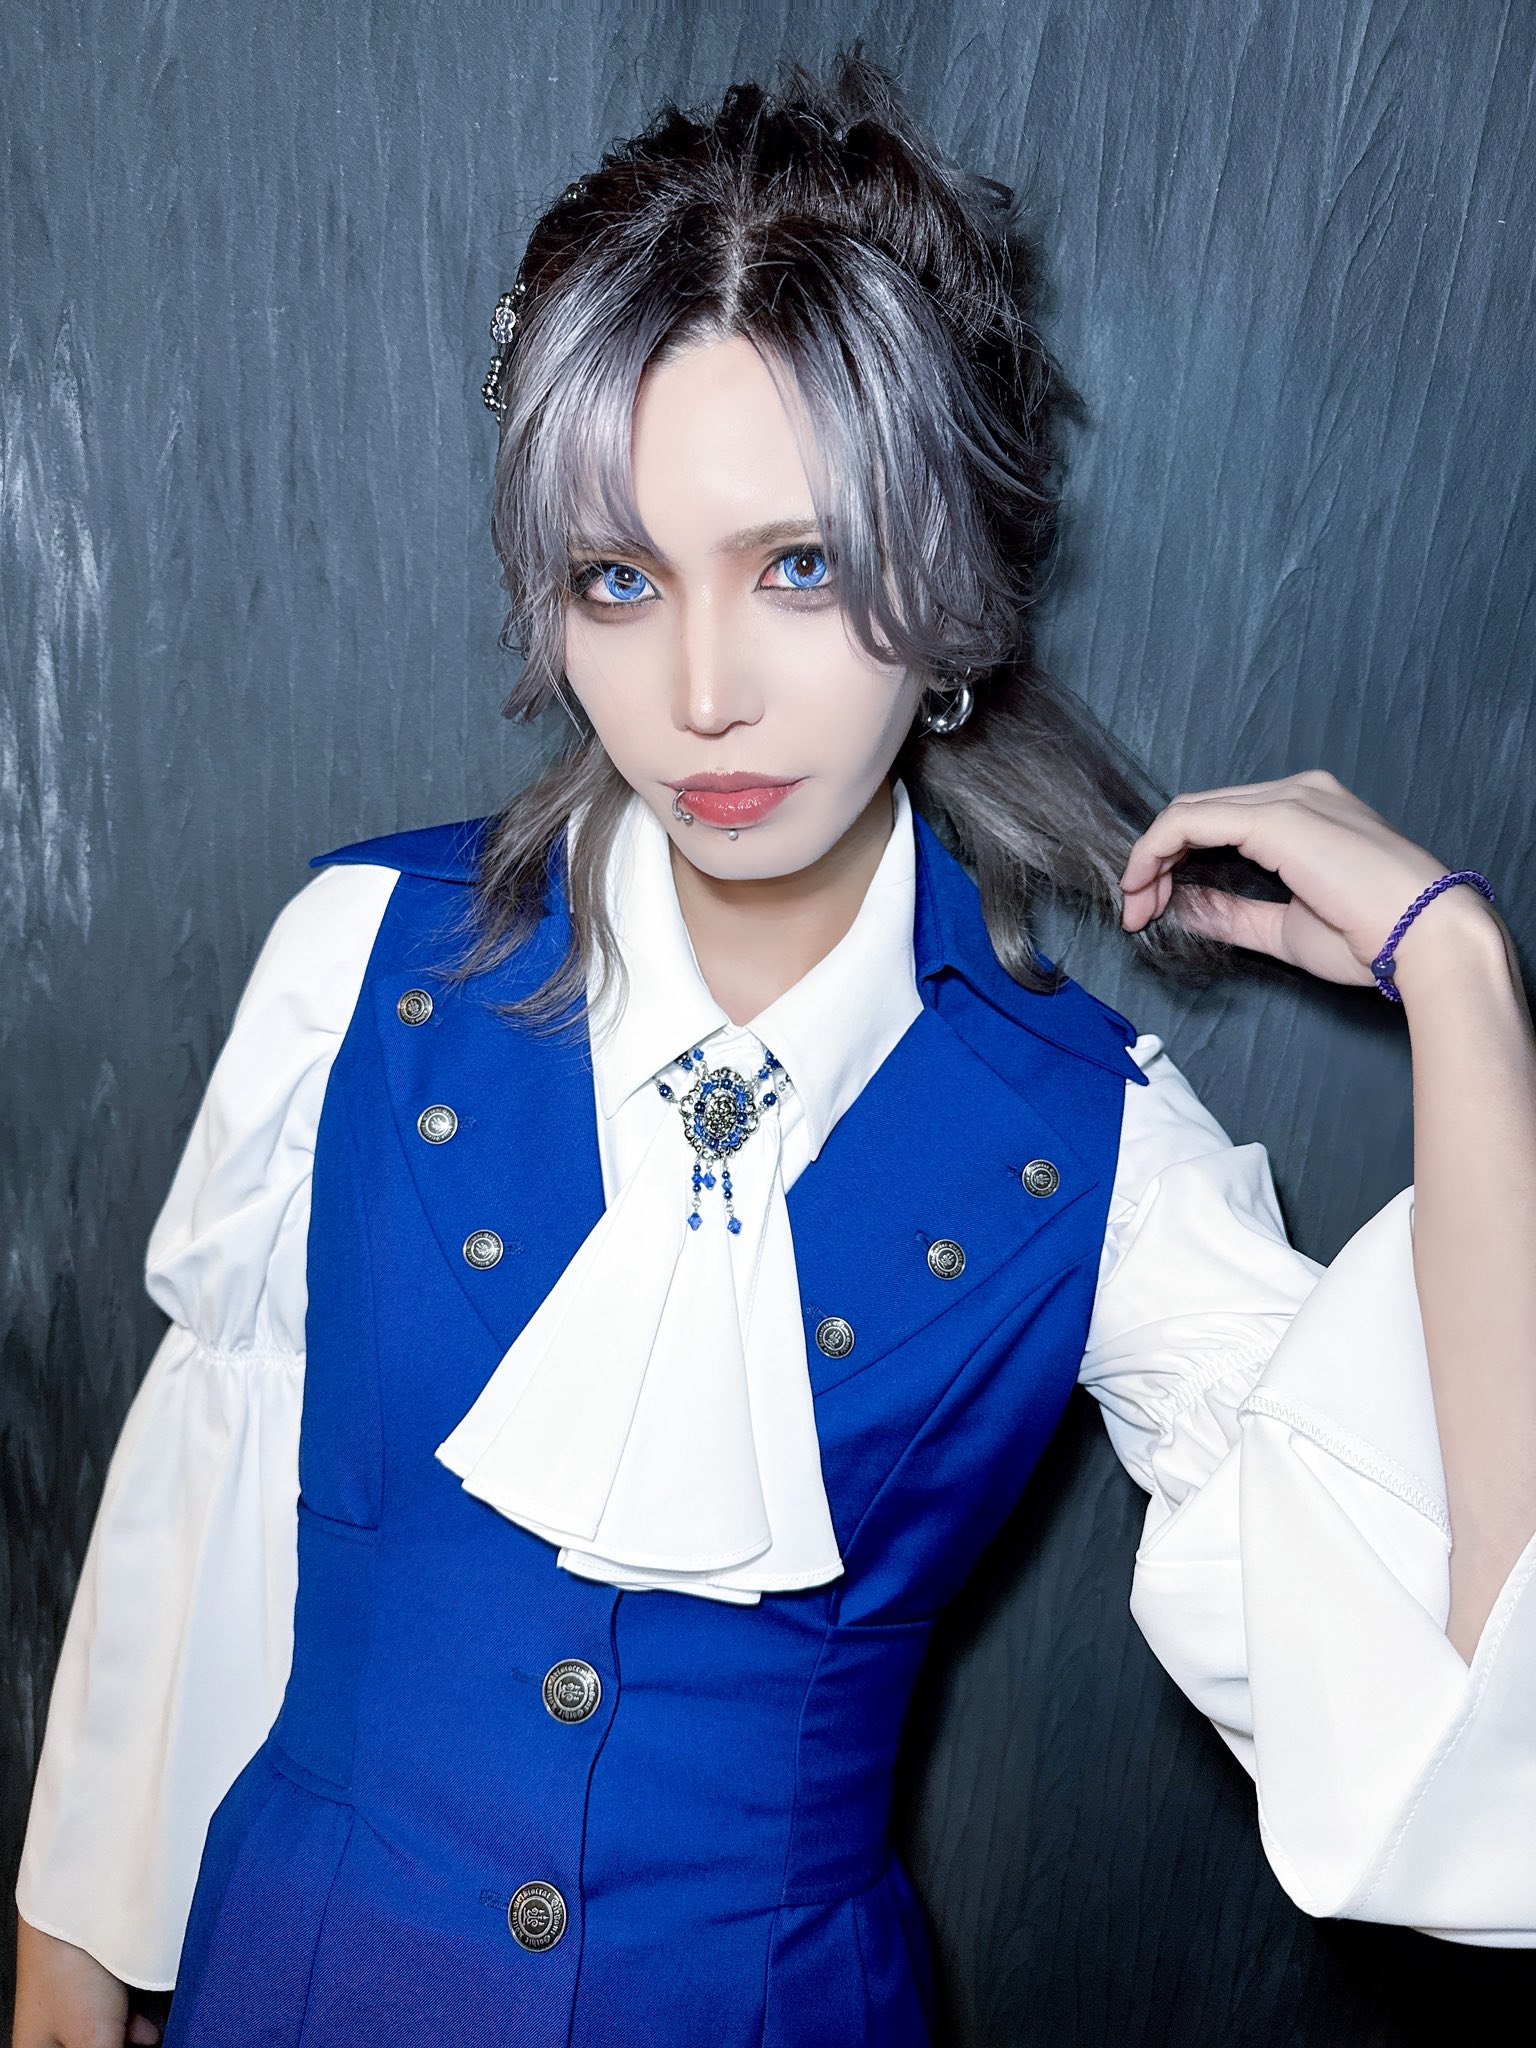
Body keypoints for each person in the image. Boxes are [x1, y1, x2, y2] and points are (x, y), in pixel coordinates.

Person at [12, 45, 1536, 2048]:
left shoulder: (1094, 1155)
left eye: (800, 566)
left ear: (954, 584)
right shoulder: (364, 963)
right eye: (619, 579)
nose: (705, 690)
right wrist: (67, 1959)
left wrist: (1465, 986)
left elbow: (1470, 1722)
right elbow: (202, 1489)